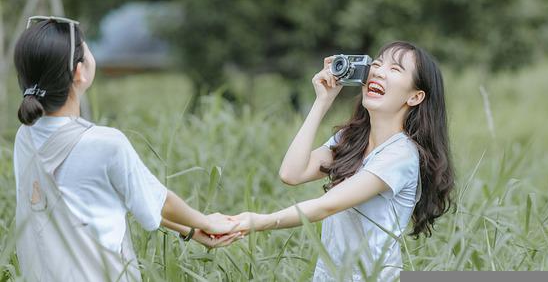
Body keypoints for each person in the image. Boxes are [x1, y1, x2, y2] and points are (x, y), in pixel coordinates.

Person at [12, 16, 240, 282]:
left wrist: (191, 229)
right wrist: (207, 222)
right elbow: (161, 202)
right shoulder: (106, 143)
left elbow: (134, 197)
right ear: (79, 72)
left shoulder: (24, 138)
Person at [231, 41, 455, 281]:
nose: (378, 71)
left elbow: (326, 205)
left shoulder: (401, 155)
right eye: (377, 64)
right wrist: (322, 101)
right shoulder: (353, 139)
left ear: (415, 96)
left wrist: (257, 221)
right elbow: (292, 173)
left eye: (395, 69)